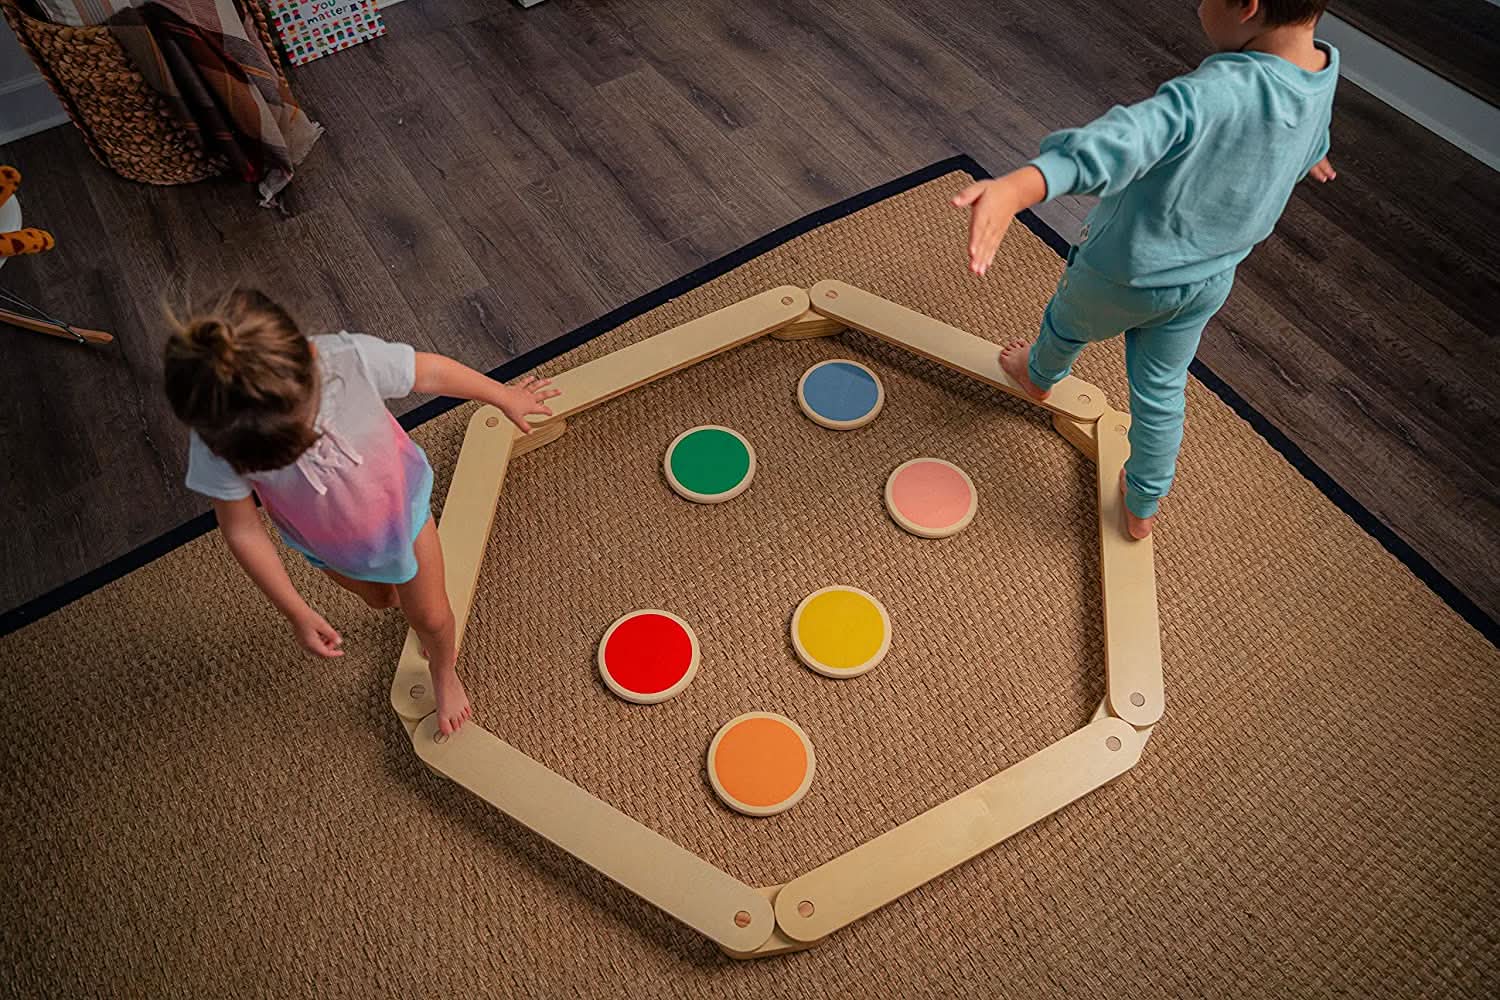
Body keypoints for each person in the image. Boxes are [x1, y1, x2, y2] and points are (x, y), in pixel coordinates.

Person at [954, 0, 1338, 538]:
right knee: (1161, 391)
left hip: (1124, 273)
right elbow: (1306, 121)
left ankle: (1038, 376)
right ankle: (1142, 505)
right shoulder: (1320, 66)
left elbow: (1122, 142)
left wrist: (1018, 187)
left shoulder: (1210, 94)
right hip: (1208, 281)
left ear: (1248, 7)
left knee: (1067, 322)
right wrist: (1310, 150)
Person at [163, 289, 557, 733]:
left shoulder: (347, 359)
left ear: (310, 359)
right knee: (381, 599)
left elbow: (429, 371)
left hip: (401, 514)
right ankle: (390, 594)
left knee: (430, 615)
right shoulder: (218, 437)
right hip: (331, 546)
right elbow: (243, 531)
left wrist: (501, 395)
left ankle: (443, 672)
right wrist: (296, 610)